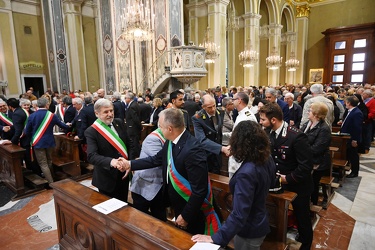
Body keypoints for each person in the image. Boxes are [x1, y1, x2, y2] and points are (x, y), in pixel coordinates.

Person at [121, 108, 221, 235]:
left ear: (169, 128)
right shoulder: (171, 140)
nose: (159, 130)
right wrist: (130, 164)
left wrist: (185, 216)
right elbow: (155, 159)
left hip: (193, 210)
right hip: (178, 204)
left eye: (161, 127)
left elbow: (199, 190)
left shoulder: (193, 149)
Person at [192, 120, 275, 249]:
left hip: (249, 229)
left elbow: (239, 214)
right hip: (259, 219)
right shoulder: (265, 158)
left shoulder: (247, 173)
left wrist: (216, 237)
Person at [259, 103, 313, 250]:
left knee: (302, 218)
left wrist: (286, 179)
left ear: (274, 120)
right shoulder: (269, 132)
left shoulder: (296, 136)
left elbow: (305, 166)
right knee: (276, 214)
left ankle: (306, 244)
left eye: (263, 119)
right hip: (278, 183)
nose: (261, 122)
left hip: (298, 184)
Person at [84, 98, 130, 202]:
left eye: (111, 110)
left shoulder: (119, 122)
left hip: (123, 174)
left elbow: (129, 143)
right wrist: (111, 161)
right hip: (107, 178)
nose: (110, 114)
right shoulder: (91, 131)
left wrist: (130, 162)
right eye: (106, 112)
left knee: (124, 205)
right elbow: (92, 156)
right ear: (97, 113)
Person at [24, 97, 70, 185]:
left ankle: (50, 182)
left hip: (37, 142)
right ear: (47, 105)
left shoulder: (32, 116)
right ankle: (52, 177)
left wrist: (32, 139)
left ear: (37, 105)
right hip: (49, 142)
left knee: (43, 163)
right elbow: (63, 126)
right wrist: (69, 126)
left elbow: (27, 131)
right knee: (49, 161)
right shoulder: (52, 115)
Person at [130, 128, 167, 221]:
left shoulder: (168, 136)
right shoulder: (153, 139)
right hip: (146, 186)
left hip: (159, 186)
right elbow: (160, 161)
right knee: (140, 220)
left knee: (160, 221)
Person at [300, 102, 331, 207]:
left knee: (312, 184)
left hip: (317, 163)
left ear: (316, 114)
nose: (308, 112)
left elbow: (317, 149)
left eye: (310, 110)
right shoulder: (307, 124)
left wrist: (301, 151)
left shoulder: (324, 129)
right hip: (305, 160)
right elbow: (299, 138)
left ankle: (312, 204)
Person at [222, 92, 257, 178]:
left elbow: (245, 138)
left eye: (233, 99)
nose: (232, 102)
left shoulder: (246, 116)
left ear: (239, 100)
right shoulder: (241, 114)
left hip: (241, 156)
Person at [192, 95, 230, 174]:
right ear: (203, 107)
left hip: (218, 155)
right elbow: (201, 140)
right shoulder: (197, 118)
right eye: (209, 107)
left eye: (214, 106)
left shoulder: (221, 112)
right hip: (206, 156)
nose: (213, 109)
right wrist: (221, 148)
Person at [339, 96, 363, 178]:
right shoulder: (351, 111)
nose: (345, 103)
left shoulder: (357, 113)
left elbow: (357, 128)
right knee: (350, 154)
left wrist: (355, 140)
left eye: (346, 102)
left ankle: (355, 172)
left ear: (349, 103)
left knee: (353, 155)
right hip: (347, 137)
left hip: (352, 138)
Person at [124, 91, 142, 159]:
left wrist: (140, 126)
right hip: (134, 127)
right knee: (135, 141)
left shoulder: (132, 106)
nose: (125, 99)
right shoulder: (135, 104)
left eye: (126, 98)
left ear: (129, 98)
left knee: (134, 142)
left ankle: (135, 156)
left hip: (132, 127)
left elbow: (135, 118)